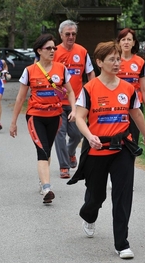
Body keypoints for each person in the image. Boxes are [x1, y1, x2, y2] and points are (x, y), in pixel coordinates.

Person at [67, 41, 145, 259]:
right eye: (112, 60)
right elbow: (79, 117)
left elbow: (136, 114)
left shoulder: (127, 88)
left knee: (123, 195)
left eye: (118, 59)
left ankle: (121, 243)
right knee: (96, 197)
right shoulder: (89, 89)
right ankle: (89, 214)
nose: (117, 63)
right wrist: (89, 137)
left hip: (122, 147)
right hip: (97, 147)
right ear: (99, 62)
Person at [9, 33, 76, 204]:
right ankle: (47, 188)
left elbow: (70, 91)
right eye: (49, 48)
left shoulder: (61, 68)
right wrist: (13, 122)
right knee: (43, 150)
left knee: (47, 149)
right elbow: (20, 98)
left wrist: (74, 110)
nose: (53, 50)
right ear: (39, 50)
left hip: (55, 115)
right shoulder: (29, 71)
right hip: (36, 116)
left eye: (54, 48)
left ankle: (42, 180)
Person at [53, 20, 95, 179]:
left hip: (77, 103)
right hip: (57, 102)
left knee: (77, 134)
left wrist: (91, 91)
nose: (71, 37)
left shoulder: (82, 51)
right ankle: (64, 166)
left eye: (73, 34)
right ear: (61, 35)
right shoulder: (54, 52)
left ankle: (71, 153)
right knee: (60, 134)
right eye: (67, 34)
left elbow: (90, 73)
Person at [116, 28, 145, 143]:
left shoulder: (140, 62)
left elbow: (144, 89)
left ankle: (130, 161)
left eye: (129, 39)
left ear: (133, 43)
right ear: (119, 42)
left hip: (135, 105)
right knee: (117, 138)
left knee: (133, 141)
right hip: (117, 105)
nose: (126, 42)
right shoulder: (114, 60)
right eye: (123, 39)